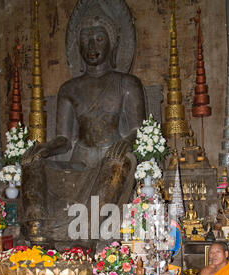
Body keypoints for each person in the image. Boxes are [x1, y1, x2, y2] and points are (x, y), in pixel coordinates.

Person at [21, 1, 146, 243]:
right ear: (76, 45)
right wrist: (44, 148)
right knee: (31, 160)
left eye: (99, 38)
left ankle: (84, 232)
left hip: (112, 159)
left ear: (113, 43)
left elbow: (138, 130)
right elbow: (64, 139)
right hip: (79, 160)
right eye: (86, 39)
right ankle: (38, 227)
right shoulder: (69, 88)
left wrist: (126, 142)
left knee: (118, 164)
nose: (91, 46)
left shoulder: (127, 83)